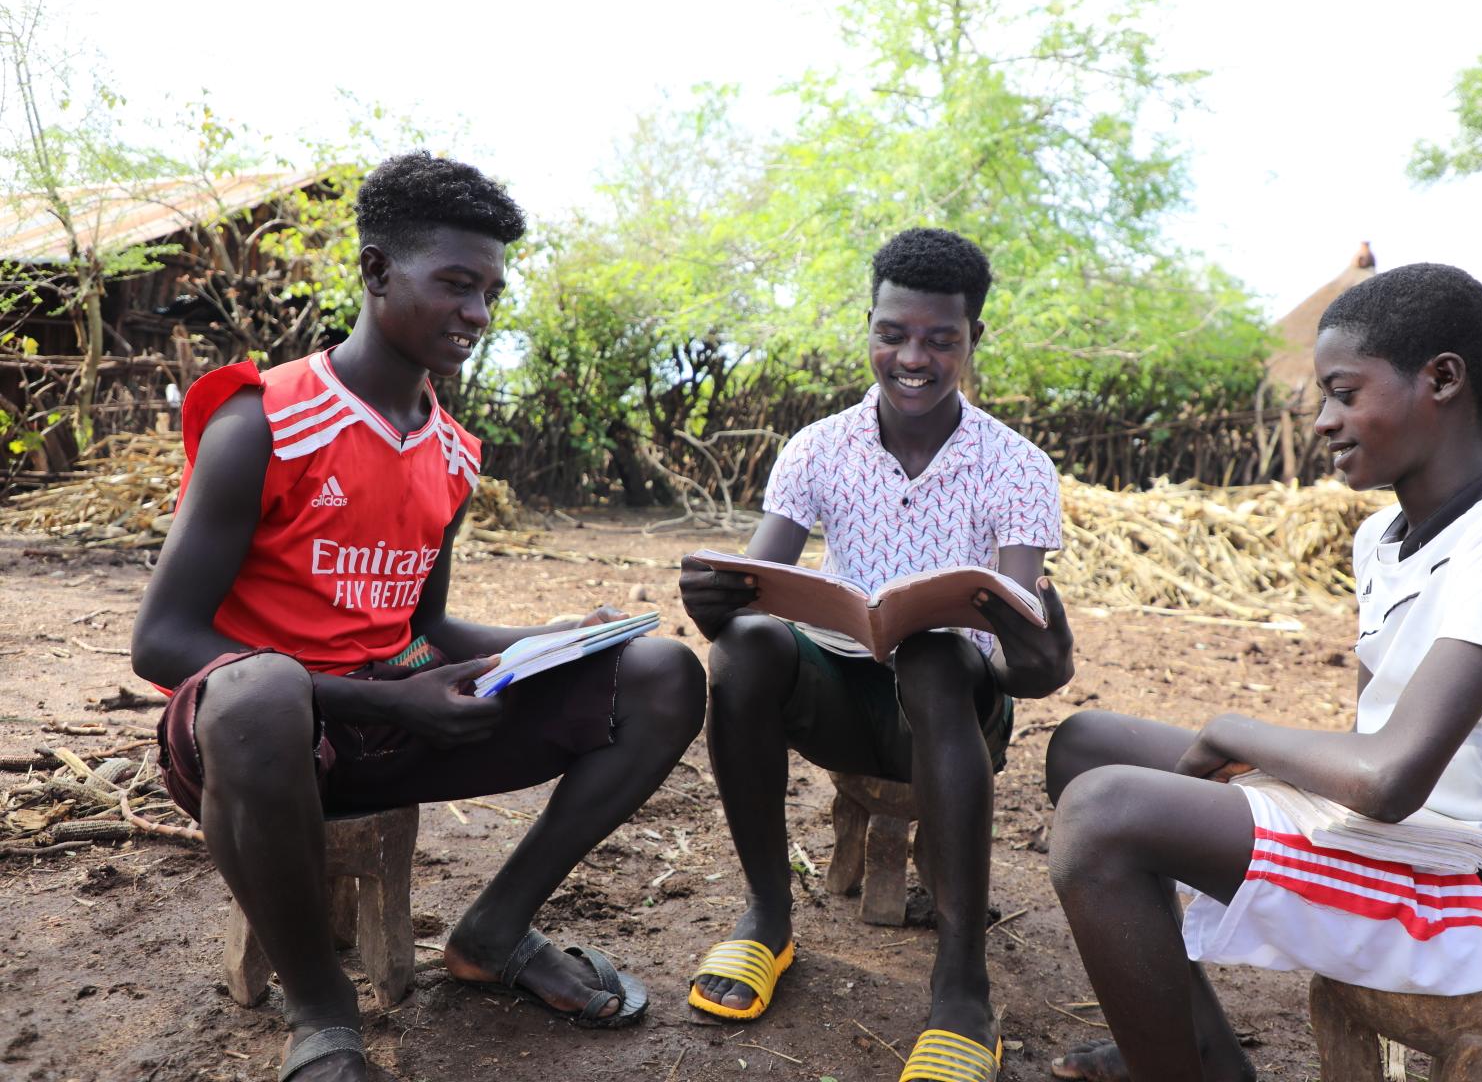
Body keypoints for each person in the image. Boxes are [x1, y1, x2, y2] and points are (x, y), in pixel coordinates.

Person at [131, 152, 706, 1082]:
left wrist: (563, 637)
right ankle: (323, 1016)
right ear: (374, 272)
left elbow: (426, 627)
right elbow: (161, 643)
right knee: (262, 691)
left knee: (662, 672)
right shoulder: (264, 421)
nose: (476, 314)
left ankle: (494, 930)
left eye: (489, 292)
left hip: (396, 720)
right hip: (260, 748)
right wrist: (393, 705)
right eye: (454, 284)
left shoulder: (449, 453)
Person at [1040, 262, 1482, 1082]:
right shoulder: (1382, 541)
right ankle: (1203, 1056)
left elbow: (1387, 777)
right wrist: (1268, 776)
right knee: (1086, 747)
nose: (1322, 420)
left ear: (1443, 380)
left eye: (1345, 393)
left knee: (1104, 813)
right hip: (1412, 839)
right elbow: (1371, 747)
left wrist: (1231, 733)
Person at [678, 227, 1074, 1082]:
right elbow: (759, 581)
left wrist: (1035, 657)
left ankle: (963, 989)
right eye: (893, 332)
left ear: (974, 340)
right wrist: (717, 602)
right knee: (746, 646)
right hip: (840, 697)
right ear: (869, 324)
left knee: (931, 657)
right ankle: (767, 919)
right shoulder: (818, 446)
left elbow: (1016, 649)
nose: (913, 357)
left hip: (955, 712)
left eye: (942, 338)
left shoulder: (1016, 465)